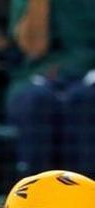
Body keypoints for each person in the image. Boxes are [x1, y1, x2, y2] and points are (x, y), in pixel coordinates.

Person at [5, 0, 95, 175]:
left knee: (84, 100)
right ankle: (35, 195)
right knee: (36, 100)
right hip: (39, 75)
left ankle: (87, 195)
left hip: (88, 76)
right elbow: (34, 47)